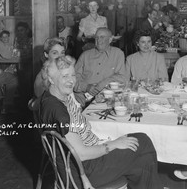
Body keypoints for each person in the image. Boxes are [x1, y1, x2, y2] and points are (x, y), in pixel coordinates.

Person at [36, 55, 164, 188]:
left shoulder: (53, 98)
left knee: (141, 162)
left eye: (73, 75)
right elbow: (81, 154)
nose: (71, 81)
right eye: (64, 76)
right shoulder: (59, 112)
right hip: (83, 171)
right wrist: (112, 144)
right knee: (143, 142)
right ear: (51, 79)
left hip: (79, 164)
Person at [74, 27, 126, 96]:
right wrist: (86, 87)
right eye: (96, 37)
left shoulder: (118, 54)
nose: (98, 40)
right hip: (84, 96)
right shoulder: (85, 55)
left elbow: (122, 77)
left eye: (102, 37)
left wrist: (103, 83)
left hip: (107, 95)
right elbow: (73, 78)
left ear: (110, 39)